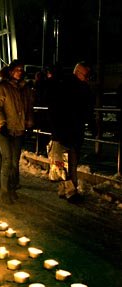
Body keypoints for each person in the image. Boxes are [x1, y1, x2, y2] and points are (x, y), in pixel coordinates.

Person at [48, 61, 94, 202]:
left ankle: (65, 190)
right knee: (70, 163)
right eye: (86, 75)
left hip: (66, 130)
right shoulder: (77, 88)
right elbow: (84, 109)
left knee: (64, 163)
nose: (87, 78)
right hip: (70, 131)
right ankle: (71, 192)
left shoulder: (65, 86)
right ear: (78, 72)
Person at [0, 60, 34, 202]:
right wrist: (1, 124)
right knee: (7, 159)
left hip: (18, 129)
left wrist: (29, 122)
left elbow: (28, 107)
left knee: (15, 161)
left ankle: (13, 188)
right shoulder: (2, 88)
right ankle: (4, 191)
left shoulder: (24, 88)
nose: (20, 72)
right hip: (4, 130)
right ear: (11, 71)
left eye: (22, 69)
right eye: (17, 69)